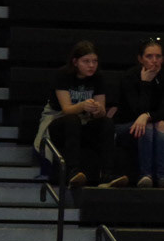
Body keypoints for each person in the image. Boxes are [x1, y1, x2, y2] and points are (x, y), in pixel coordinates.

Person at [36, 39, 122, 189]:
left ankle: (107, 174)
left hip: (85, 120)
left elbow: (101, 111)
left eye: (94, 61)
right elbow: (66, 109)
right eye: (86, 61)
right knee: (72, 119)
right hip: (58, 119)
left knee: (107, 123)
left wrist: (98, 109)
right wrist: (82, 105)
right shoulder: (63, 75)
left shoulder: (98, 77)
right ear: (75, 62)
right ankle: (72, 172)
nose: (91, 65)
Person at [114, 37, 164, 189]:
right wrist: (145, 83)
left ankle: (163, 177)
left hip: (149, 124)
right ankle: (146, 175)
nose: (154, 61)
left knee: (159, 124)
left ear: (163, 59)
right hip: (125, 127)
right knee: (149, 126)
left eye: (158, 56)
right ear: (140, 59)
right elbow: (136, 110)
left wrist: (146, 116)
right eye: (149, 56)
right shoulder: (129, 77)